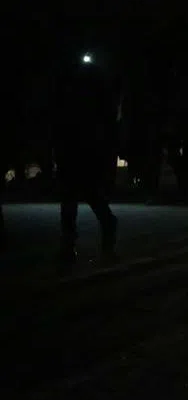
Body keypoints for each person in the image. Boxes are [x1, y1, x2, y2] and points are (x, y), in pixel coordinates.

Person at [53, 51, 119, 266]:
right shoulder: (87, 109)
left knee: (74, 203)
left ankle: (70, 246)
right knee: (83, 203)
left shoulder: (73, 107)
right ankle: (77, 244)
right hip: (79, 159)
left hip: (76, 158)